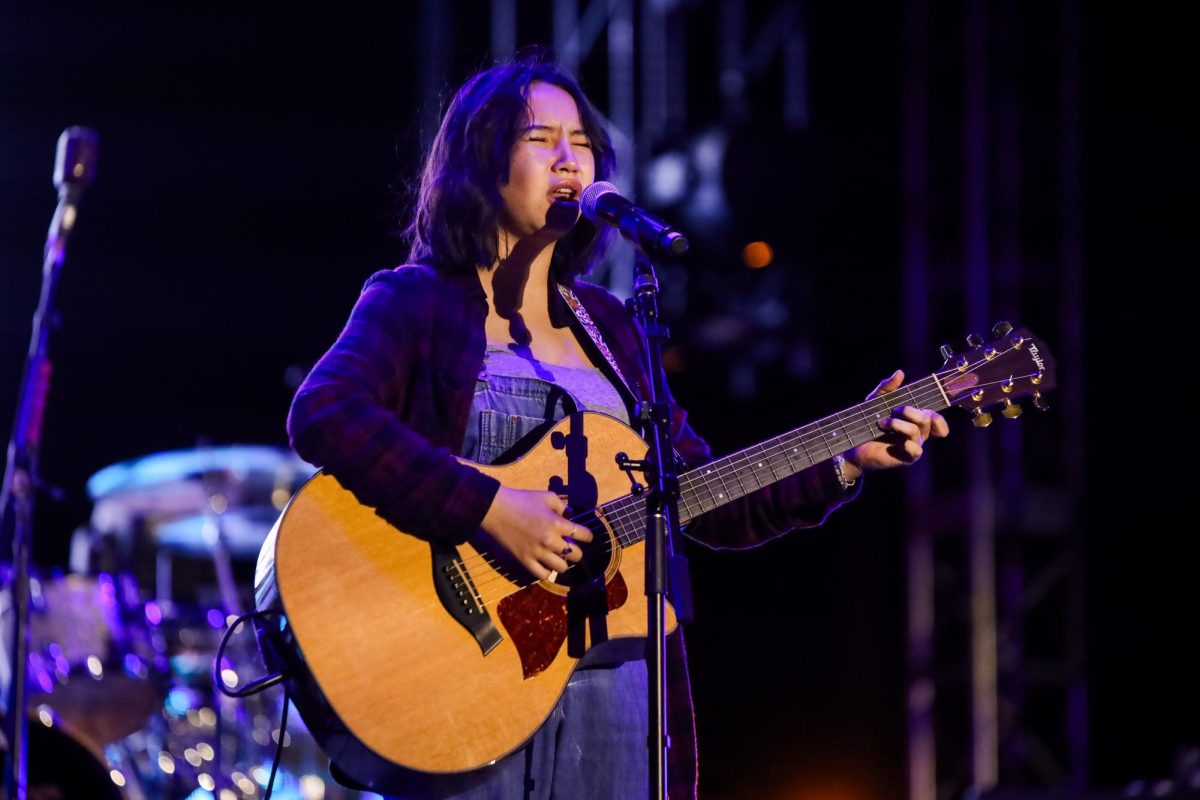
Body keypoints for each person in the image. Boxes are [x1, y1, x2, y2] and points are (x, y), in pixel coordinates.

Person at [285, 53, 948, 800]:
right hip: (468, 678)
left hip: (621, 696)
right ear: (479, 161)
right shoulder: (417, 302)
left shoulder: (611, 327)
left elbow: (700, 499)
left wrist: (845, 460)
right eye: (540, 139)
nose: (570, 159)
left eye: (583, 142)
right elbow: (325, 412)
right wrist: (489, 507)